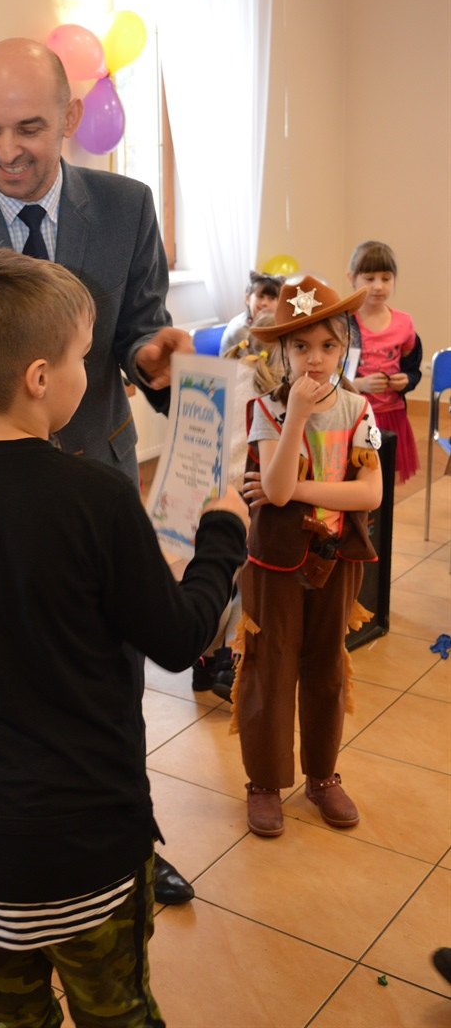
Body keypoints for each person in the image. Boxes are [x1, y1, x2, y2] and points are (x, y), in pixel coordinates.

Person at [0, 246, 249, 1028]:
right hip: (85, 851)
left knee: (6, 1013)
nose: (90, 370)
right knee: (116, 1012)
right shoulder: (96, 498)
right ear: (40, 378)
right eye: (83, 356)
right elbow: (178, 637)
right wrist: (221, 537)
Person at [0, 36, 195, 904]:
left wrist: (151, 356)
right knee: (3, 678)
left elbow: (139, 329)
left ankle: (129, 839)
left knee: (110, 680)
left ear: (69, 117)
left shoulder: (127, 207)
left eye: (28, 128)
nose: (6, 150)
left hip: (97, 483)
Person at [229, 276, 383, 838]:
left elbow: (370, 494)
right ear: (282, 352)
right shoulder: (267, 411)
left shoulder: (360, 410)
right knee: (270, 667)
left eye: (326, 345)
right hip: (275, 563)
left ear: (344, 347)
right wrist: (295, 416)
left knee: (326, 668)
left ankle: (322, 775)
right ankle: (265, 782)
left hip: (335, 558)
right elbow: (271, 488)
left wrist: (295, 490)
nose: (314, 359)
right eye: (300, 346)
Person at [192, 316, 284, 701]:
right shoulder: (275, 391)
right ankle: (231, 659)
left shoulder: (221, 376)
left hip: (204, 490)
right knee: (248, 579)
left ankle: (203, 660)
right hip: (249, 495)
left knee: (216, 576)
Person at [346, 240, 422, 482]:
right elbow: (331, 376)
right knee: (355, 477)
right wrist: (360, 384)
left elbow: (412, 369)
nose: (378, 286)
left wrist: (406, 380)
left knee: (385, 479)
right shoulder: (343, 324)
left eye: (386, 278)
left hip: (392, 415)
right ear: (351, 278)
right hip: (356, 416)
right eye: (369, 278)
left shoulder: (404, 323)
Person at [218, 270, 285, 357]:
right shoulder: (240, 329)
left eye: (271, 298)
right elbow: (260, 361)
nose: (265, 303)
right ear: (247, 299)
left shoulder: (275, 323)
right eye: (260, 296)